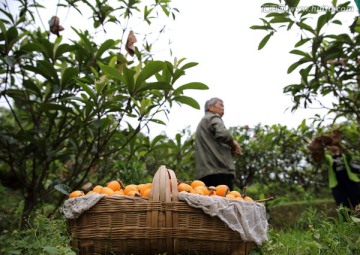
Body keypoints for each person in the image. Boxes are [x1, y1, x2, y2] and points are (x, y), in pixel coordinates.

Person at [195, 97, 242, 190]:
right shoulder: (213, 117)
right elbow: (223, 133)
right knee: (225, 202)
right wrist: (234, 144)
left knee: (210, 202)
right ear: (210, 107)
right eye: (221, 105)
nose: (223, 108)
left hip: (205, 174)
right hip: (219, 172)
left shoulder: (202, 123)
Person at [309, 129, 360, 210]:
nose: (333, 146)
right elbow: (319, 157)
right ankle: (347, 222)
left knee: (358, 203)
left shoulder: (343, 155)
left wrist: (339, 144)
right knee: (343, 208)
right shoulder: (328, 158)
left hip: (351, 183)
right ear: (328, 147)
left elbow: (349, 154)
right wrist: (316, 142)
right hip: (338, 186)